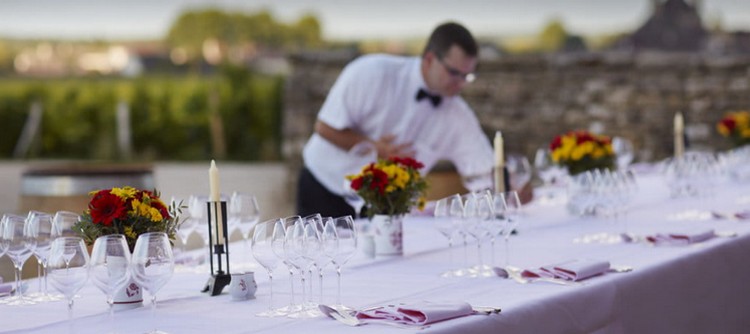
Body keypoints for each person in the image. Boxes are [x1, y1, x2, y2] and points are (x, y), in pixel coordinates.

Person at [297, 22, 496, 218]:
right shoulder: (371, 73)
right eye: (454, 73)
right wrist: (374, 147)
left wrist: (509, 184)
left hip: (387, 205)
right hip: (324, 187)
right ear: (429, 59)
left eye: (467, 76)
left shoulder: (457, 114)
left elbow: (484, 171)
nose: (461, 83)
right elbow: (324, 128)